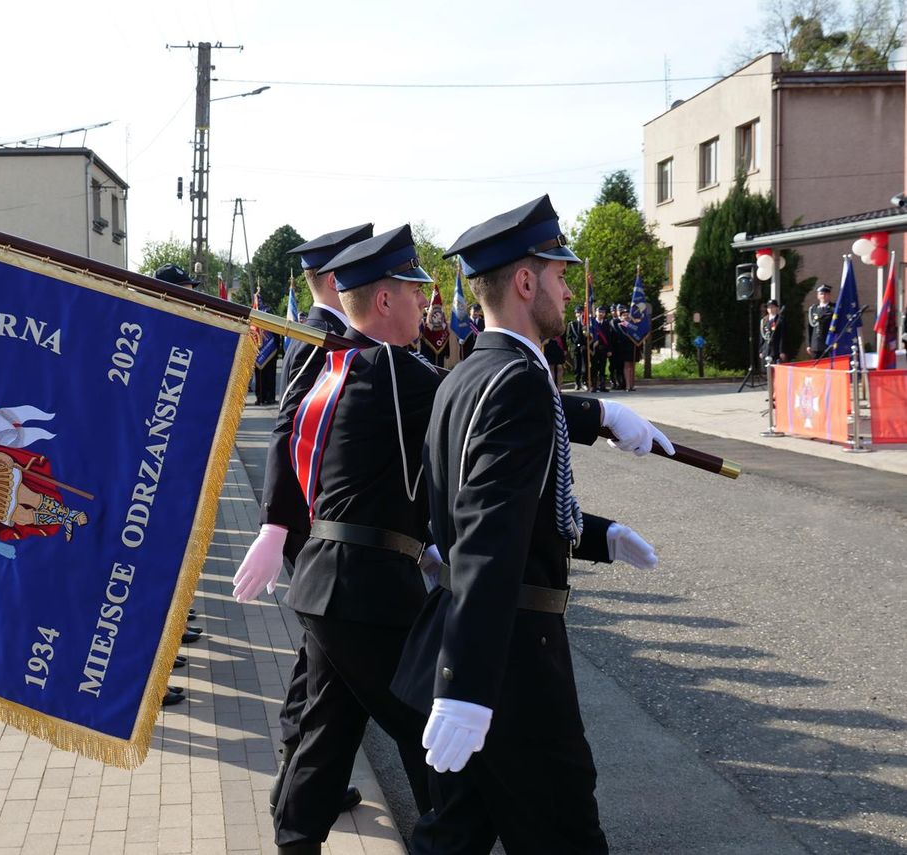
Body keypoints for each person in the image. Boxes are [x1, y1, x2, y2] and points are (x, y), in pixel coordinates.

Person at [391, 195, 673, 854]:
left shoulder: (464, 376)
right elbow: (489, 538)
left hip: (474, 643)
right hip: (510, 661)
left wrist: (596, 534)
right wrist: (467, 685)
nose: (570, 289)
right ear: (525, 281)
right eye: (560, 274)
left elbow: (493, 511)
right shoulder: (517, 382)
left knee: (453, 835)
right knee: (566, 836)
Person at [267, 224, 437, 854]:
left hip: (330, 580)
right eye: (415, 290)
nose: (427, 301)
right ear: (386, 300)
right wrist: (599, 414)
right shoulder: (393, 367)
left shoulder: (343, 364)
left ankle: (295, 838)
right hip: (365, 586)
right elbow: (483, 400)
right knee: (430, 731)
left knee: (330, 726)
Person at [232, 222, 373, 817]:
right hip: (314, 524)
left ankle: (298, 777)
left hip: (315, 523)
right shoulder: (317, 336)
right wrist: (275, 526)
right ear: (337, 279)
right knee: (331, 655)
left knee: (321, 653)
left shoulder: (329, 333)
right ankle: (298, 786)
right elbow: (286, 432)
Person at [807, 284, 834, 359]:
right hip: (815, 345)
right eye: (821, 294)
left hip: (828, 344)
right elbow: (810, 328)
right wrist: (809, 345)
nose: (823, 296)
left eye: (826, 294)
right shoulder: (813, 309)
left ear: (829, 295)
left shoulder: (834, 308)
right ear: (818, 296)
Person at [589, 305, 611, 392]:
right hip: (594, 348)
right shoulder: (592, 323)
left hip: (603, 348)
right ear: (596, 313)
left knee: (602, 367)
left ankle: (602, 386)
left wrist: (609, 349)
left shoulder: (606, 323)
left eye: (603, 312)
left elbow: (609, 337)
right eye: (599, 312)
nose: (601, 314)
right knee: (594, 367)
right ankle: (594, 386)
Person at [566, 305, 588, 390]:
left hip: (583, 347)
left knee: (584, 365)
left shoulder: (585, 323)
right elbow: (569, 337)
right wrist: (573, 346)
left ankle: (584, 382)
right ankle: (577, 382)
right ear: (575, 314)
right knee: (576, 366)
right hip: (575, 348)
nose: (579, 314)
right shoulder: (571, 324)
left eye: (580, 312)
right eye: (577, 312)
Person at [760, 299, 786, 365]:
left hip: (776, 350)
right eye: (769, 307)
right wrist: (761, 350)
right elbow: (762, 336)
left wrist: (781, 351)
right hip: (766, 350)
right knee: (766, 372)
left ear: (776, 308)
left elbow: (782, 336)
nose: (770, 309)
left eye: (772, 307)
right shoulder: (764, 320)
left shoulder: (780, 320)